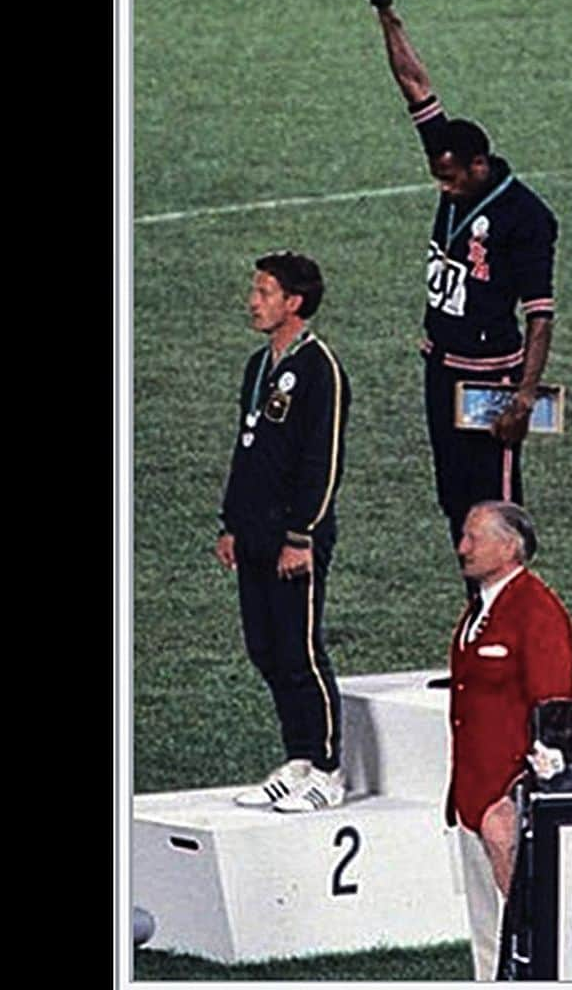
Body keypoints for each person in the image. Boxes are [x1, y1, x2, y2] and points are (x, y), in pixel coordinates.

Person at [358, 0, 560, 551]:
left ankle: (509, 626)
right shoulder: (451, 157)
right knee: (453, 502)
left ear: (479, 165)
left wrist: (523, 398)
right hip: (441, 367)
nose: (442, 188)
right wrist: (384, 7)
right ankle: (476, 616)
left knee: (494, 509)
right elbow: (414, 83)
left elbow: (540, 315)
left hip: (490, 377)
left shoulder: (527, 217)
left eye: (450, 180)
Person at [215, 250, 351, 813]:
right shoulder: (259, 365)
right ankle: (297, 758)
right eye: (256, 290)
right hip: (252, 532)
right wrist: (230, 524)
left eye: (265, 292)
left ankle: (327, 768)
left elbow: (325, 459)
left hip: (296, 536)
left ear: (294, 302)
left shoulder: (320, 369)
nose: (253, 301)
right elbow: (246, 451)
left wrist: (304, 536)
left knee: (299, 649)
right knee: (265, 648)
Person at [446, 501, 572, 979]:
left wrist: (521, 793)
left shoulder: (536, 609)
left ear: (509, 546)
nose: (461, 548)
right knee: (486, 931)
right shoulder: (479, 608)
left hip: (507, 801)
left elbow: (555, 711)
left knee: (523, 928)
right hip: (470, 797)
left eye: (473, 538)